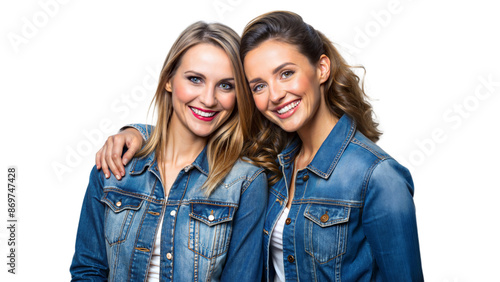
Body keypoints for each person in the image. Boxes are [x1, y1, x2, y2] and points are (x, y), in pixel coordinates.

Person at [96, 11, 424, 281]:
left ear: (321, 68)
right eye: (259, 85)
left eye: (286, 73)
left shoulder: (377, 176)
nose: (275, 94)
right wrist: (138, 134)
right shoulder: (273, 164)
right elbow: (188, 133)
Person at [70, 21, 268, 282]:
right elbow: (88, 271)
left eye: (225, 85)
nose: (209, 99)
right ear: (168, 81)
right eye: (195, 79)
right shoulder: (117, 163)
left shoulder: (246, 182)